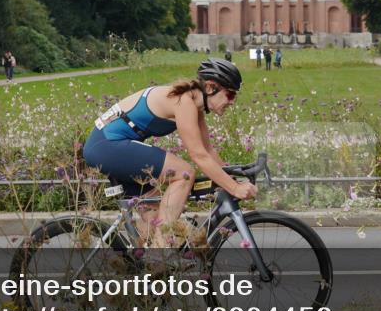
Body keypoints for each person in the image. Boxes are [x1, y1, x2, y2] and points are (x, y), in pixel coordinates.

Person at [82, 58, 256, 246]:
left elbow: (208, 150)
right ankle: (160, 252)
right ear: (210, 87)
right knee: (184, 173)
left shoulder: (194, 106)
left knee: (155, 218)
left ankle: (142, 266)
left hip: (111, 146)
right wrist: (235, 188)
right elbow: (198, 156)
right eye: (230, 95)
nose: (233, 102)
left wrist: (230, 178)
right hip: (106, 145)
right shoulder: (183, 102)